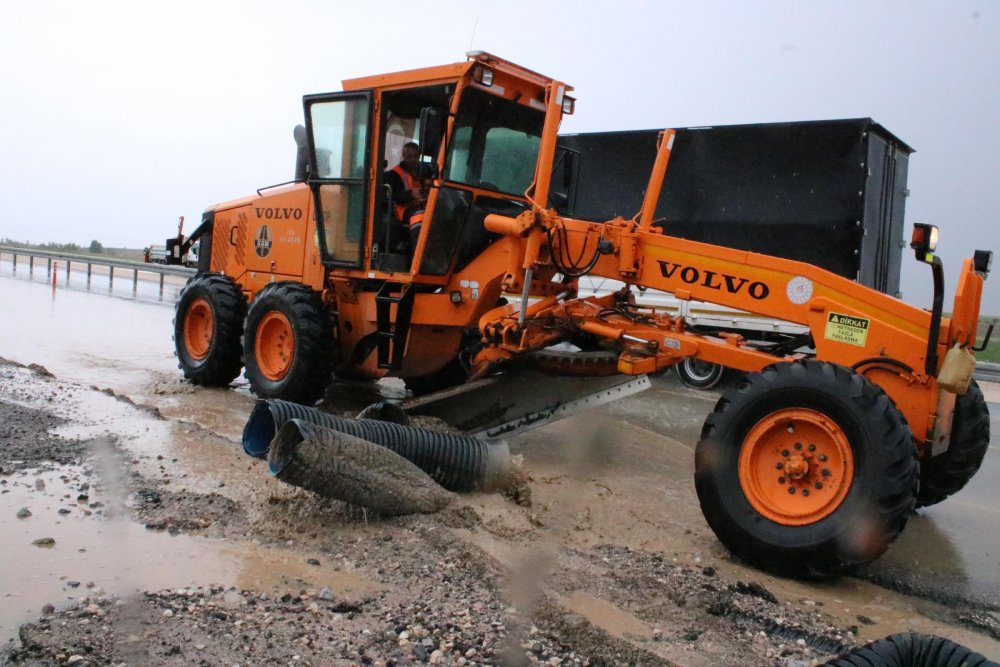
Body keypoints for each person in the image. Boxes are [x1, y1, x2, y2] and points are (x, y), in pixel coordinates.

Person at [384, 142, 436, 251]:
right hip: (404, 210)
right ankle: (418, 253)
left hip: (424, 206)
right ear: (403, 156)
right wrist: (411, 194)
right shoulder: (394, 174)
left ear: (419, 156)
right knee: (420, 216)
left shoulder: (425, 170)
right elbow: (395, 196)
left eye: (415, 156)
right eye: (409, 156)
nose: (412, 159)